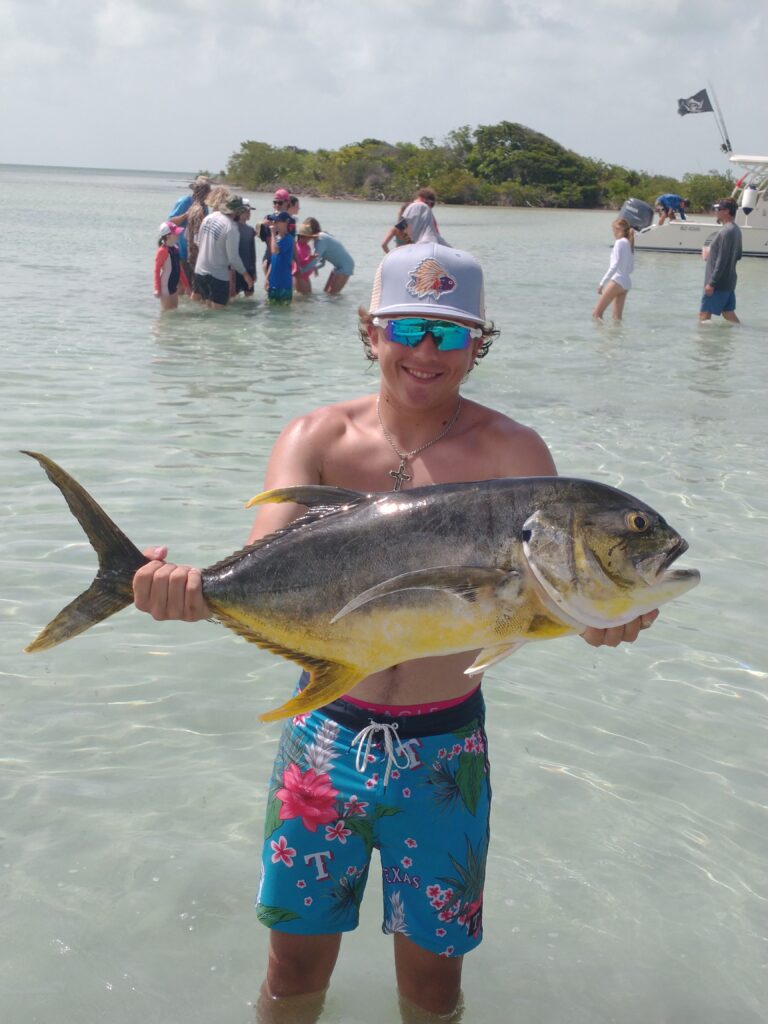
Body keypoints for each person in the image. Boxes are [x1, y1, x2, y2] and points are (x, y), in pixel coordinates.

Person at [132, 241, 658, 1021]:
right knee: (292, 966)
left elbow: (550, 591)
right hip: (322, 740)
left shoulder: (515, 454)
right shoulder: (316, 436)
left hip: (447, 754)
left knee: (435, 984)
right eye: (407, 328)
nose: (425, 352)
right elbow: (260, 569)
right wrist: (181, 591)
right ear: (370, 329)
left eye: (449, 335)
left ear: (478, 344)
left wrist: (604, 622)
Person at [193, 195, 253, 309]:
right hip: (218, 275)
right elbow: (233, 258)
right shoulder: (231, 227)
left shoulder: (208, 218)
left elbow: (198, 242)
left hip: (200, 271)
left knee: (207, 309)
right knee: (218, 315)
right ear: (237, 212)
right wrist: (245, 274)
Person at [699, 197, 742, 324]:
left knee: (704, 315)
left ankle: (704, 343)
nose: (716, 212)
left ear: (727, 211)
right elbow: (738, 255)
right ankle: (743, 336)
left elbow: (722, 260)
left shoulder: (725, 232)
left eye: (718, 209)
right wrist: (711, 254)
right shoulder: (736, 230)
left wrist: (712, 283)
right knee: (728, 313)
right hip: (729, 281)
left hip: (718, 283)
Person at [167, 176, 212, 288]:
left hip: (196, 252)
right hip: (181, 250)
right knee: (182, 286)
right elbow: (170, 222)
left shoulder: (204, 206)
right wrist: (186, 215)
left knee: (193, 287)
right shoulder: (185, 201)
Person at [592, 217, 635, 321]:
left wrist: (602, 283)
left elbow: (614, 265)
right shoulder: (629, 243)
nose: (613, 233)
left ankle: (603, 337)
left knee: (596, 315)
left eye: (613, 230)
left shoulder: (619, 242)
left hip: (617, 281)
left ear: (617, 229)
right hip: (626, 283)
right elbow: (631, 268)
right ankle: (616, 337)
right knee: (617, 318)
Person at [301, 216, 354, 294]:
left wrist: (300, 272)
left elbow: (315, 260)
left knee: (333, 296)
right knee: (326, 293)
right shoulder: (320, 238)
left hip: (346, 266)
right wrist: (314, 268)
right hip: (338, 266)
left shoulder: (321, 239)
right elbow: (322, 263)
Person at [153, 221, 188, 311]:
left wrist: (186, 285)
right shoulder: (162, 251)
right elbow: (156, 270)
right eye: (175, 233)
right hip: (165, 287)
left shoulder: (175, 248)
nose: (178, 235)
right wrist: (157, 289)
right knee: (167, 314)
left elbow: (179, 268)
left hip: (174, 286)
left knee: (174, 312)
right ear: (168, 236)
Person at [260, 189, 293, 276]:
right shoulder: (267, 219)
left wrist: (297, 263)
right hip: (270, 258)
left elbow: (293, 244)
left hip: (285, 260)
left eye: (280, 203)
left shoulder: (291, 221)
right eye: (275, 202)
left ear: (287, 203)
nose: (277, 205)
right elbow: (268, 242)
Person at [266, 211, 295, 303]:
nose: (274, 224)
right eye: (273, 221)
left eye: (277, 221)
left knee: (283, 312)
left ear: (286, 222)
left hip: (284, 285)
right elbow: (273, 260)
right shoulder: (276, 239)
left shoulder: (288, 239)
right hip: (273, 284)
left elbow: (275, 250)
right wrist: (267, 278)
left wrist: (272, 233)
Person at [232, 199, 257, 298]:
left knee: (250, 296)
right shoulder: (232, 227)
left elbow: (252, 253)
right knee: (233, 296)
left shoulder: (250, 230)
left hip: (248, 268)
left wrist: (254, 271)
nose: (249, 213)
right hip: (235, 270)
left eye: (249, 211)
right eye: (247, 211)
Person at [293, 220, 319, 295]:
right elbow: (298, 263)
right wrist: (309, 258)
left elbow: (309, 260)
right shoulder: (296, 247)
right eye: (308, 238)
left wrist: (315, 268)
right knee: (303, 299)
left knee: (308, 297)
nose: (310, 239)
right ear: (302, 237)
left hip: (306, 275)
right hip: (299, 275)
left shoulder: (307, 246)